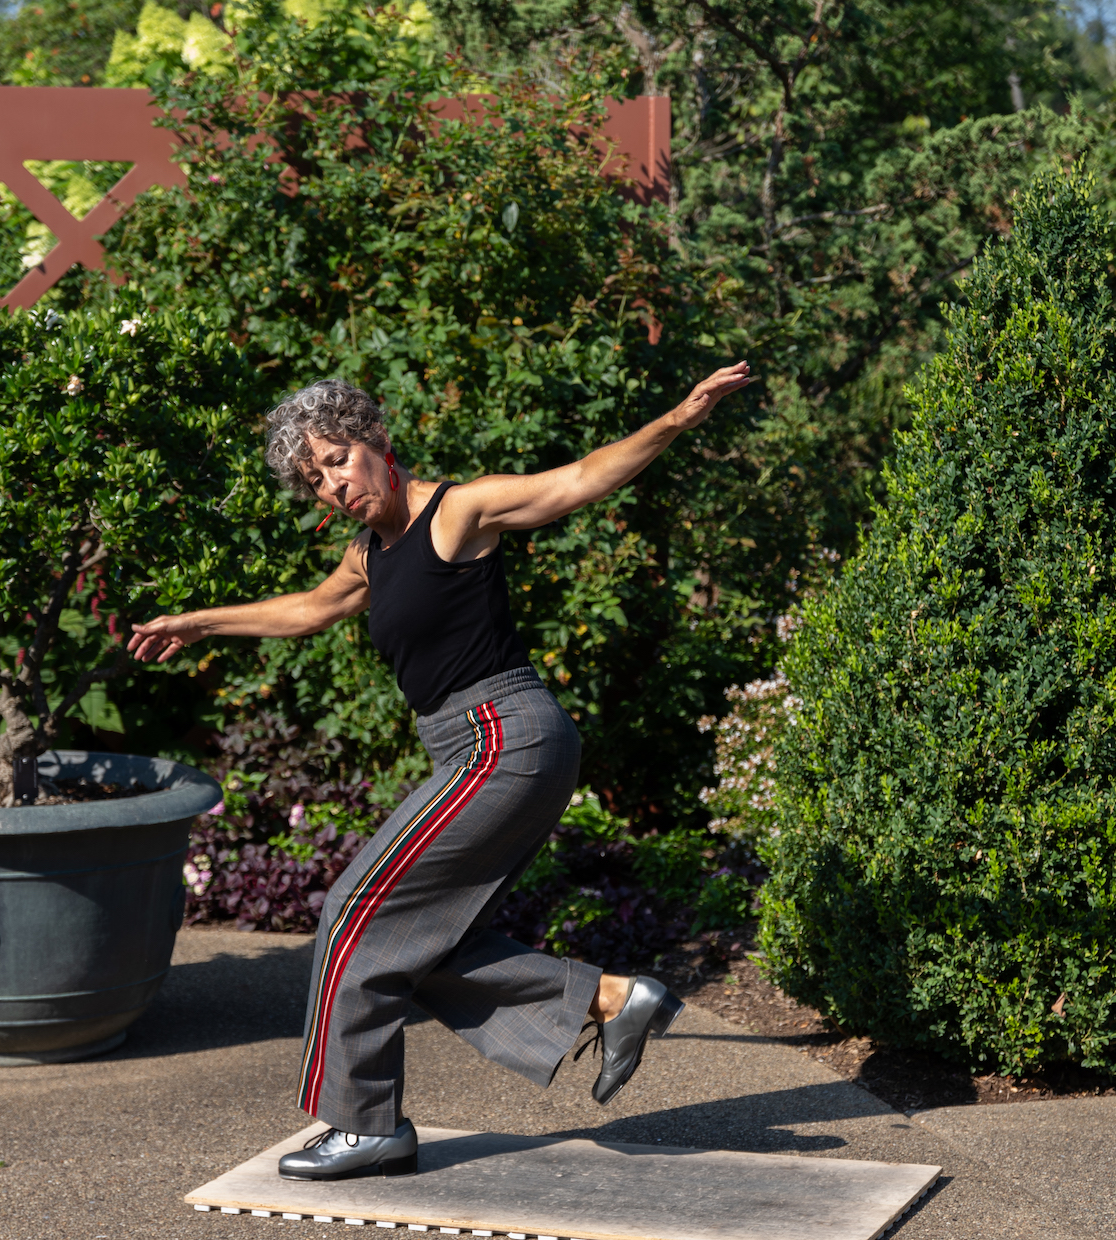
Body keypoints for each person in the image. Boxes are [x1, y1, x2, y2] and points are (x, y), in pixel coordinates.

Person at [129, 361, 753, 1181]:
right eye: (313, 479)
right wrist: (200, 623)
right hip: (474, 747)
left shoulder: (457, 513)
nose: (332, 485)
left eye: (338, 460)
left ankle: (363, 1125)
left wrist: (676, 418)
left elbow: (577, 481)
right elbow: (308, 611)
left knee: (354, 907)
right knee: (412, 942)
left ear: (376, 442)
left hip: (506, 733)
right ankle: (609, 1000)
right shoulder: (370, 555)